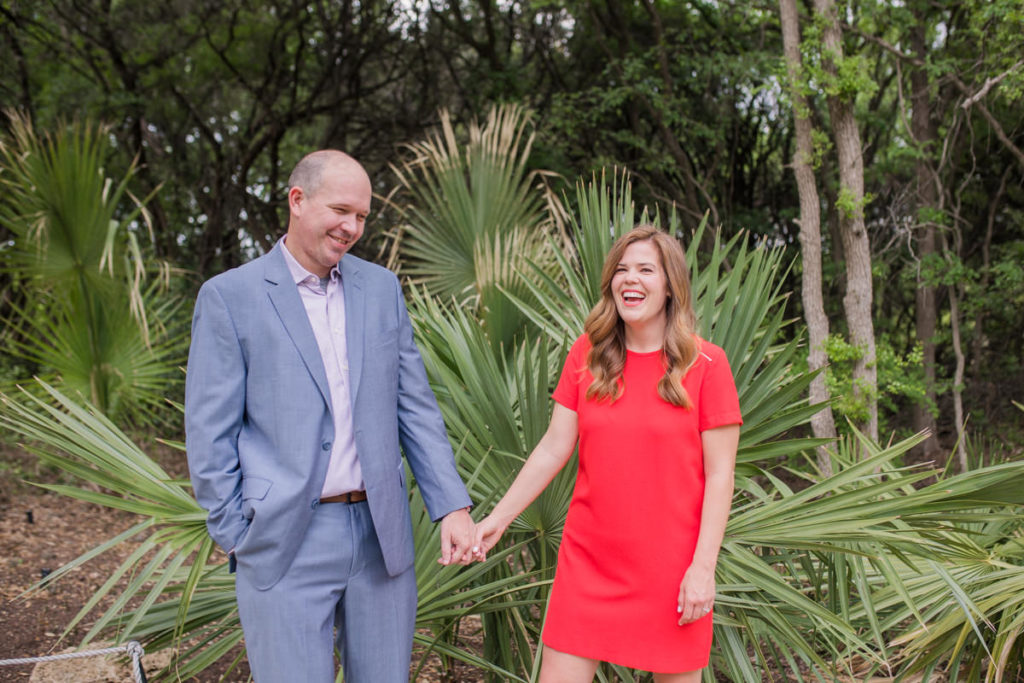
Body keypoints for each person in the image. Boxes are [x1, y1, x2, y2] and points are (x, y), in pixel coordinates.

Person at [184, 149, 474, 683]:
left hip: (380, 537)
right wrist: (236, 532)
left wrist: (451, 507)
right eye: (341, 210)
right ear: (297, 200)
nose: (352, 227)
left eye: (362, 216)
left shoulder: (381, 288)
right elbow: (209, 430)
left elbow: (414, 406)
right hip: (283, 540)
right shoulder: (230, 297)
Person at [472, 225, 742, 682]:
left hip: (673, 572)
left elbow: (720, 476)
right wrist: (497, 519)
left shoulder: (707, 367)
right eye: (621, 269)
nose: (629, 279)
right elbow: (554, 447)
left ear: (670, 285)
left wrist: (703, 568)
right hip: (588, 567)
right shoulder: (588, 354)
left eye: (645, 270)